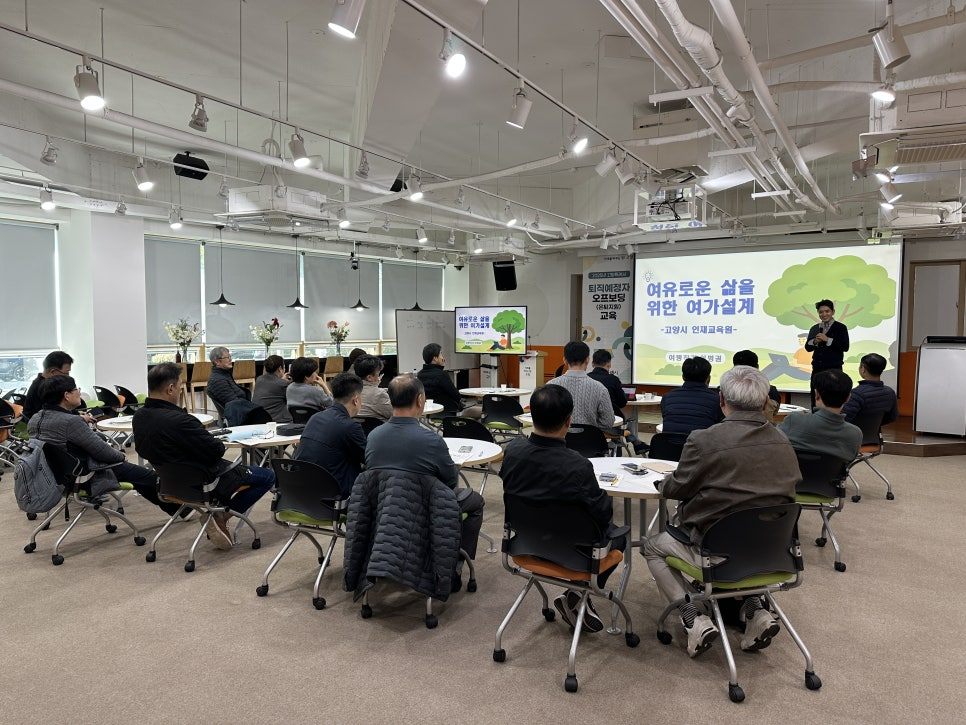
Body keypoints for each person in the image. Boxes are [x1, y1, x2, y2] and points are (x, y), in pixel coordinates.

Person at [643, 366, 799, 658]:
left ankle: (692, 616)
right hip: (772, 550)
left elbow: (677, 488)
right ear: (765, 401)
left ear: (721, 400)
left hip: (715, 552)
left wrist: (663, 482)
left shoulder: (704, 440)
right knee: (751, 519)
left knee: (652, 546)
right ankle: (754, 609)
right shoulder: (784, 441)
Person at [499, 384, 624, 633]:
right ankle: (576, 596)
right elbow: (602, 514)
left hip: (524, 546)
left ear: (531, 415)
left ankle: (575, 598)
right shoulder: (577, 466)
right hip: (573, 556)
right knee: (619, 536)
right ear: (568, 421)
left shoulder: (511, 452)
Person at [132, 362, 275, 550]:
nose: (180, 392)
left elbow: (143, 451)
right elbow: (217, 450)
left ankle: (218, 512)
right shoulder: (182, 421)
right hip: (204, 482)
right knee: (267, 476)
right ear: (170, 388)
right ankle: (221, 515)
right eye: (180, 387)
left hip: (170, 484)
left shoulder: (139, 417)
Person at [365, 374, 485, 565]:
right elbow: (450, 483)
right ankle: (457, 563)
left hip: (384, 505)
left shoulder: (373, 436)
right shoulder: (431, 440)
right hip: (425, 505)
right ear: (420, 400)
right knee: (475, 501)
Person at [27, 375, 179, 514]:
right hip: (83, 475)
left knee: (137, 474)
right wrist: (121, 455)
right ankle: (179, 509)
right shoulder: (70, 422)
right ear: (66, 396)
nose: (79, 392)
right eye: (76, 389)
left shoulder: (35, 418)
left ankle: (176, 509)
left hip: (53, 475)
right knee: (146, 476)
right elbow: (102, 452)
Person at [293, 373, 367, 498]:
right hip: (334, 495)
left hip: (304, 491)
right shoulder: (349, 426)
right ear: (356, 400)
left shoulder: (315, 418)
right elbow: (369, 458)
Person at [779, 370, 863, 463]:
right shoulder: (855, 434)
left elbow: (775, 444)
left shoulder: (794, 420)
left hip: (793, 475)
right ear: (848, 398)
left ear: (816, 394)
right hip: (831, 477)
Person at [588, 349, 647, 454]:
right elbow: (622, 403)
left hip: (590, 423)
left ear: (592, 363)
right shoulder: (613, 379)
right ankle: (632, 443)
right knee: (622, 421)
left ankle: (635, 442)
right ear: (609, 364)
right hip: (611, 422)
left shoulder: (587, 378)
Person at [546, 341, 614, 430]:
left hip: (559, 441)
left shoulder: (550, 386)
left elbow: (545, 419)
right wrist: (592, 428)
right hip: (590, 441)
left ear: (565, 360)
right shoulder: (600, 388)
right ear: (587, 360)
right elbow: (608, 422)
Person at [659, 356, 724, 436]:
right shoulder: (717, 400)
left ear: (683, 377)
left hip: (670, 447)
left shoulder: (667, 397)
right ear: (708, 378)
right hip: (701, 447)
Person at [416, 343, 482, 419]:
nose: (443, 357)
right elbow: (456, 395)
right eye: (441, 354)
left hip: (431, 413)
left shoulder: (419, 375)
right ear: (435, 358)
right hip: (450, 412)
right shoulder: (442, 375)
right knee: (483, 412)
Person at [805, 299, 849, 409]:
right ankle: (815, 421)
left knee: (833, 398)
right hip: (817, 369)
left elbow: (845, 347)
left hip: (834, 369)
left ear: (833, 312)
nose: (824, 314)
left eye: (827, 311)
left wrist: (827, 339)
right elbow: (807, 347)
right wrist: (815, 342)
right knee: (815, 397)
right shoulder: (815, 328)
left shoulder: (840, 327)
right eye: (821, 312)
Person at [841, 353, 898, 427]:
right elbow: (892, 417)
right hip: (874, 436)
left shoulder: (856, 394)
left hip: (854, 437)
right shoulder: (890, 392)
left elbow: (843, 420)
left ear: (863, 369)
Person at [23, 350, 74, 421]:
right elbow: (54, 414)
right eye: (66, 373)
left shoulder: (40, 382)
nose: (68, 377)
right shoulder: (45, 388)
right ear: (53, 372)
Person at [732, 350, 780, 421]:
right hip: (764, 430)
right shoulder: (771, 391)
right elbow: (773, 412)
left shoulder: (723, 390)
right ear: (757, 367)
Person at [251, 355, 292, 423]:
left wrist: (282, 380)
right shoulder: (282, 384)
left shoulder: (259, 379)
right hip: (276, 421)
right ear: (280, 368)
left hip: (258, 419)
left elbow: (273, 386)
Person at [353, 355, 392, 422]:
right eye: (379, 374)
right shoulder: (379, 394)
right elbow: (395, 414)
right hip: (378, 430)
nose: (380, 377)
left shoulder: (349, 391)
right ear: (369, 377)